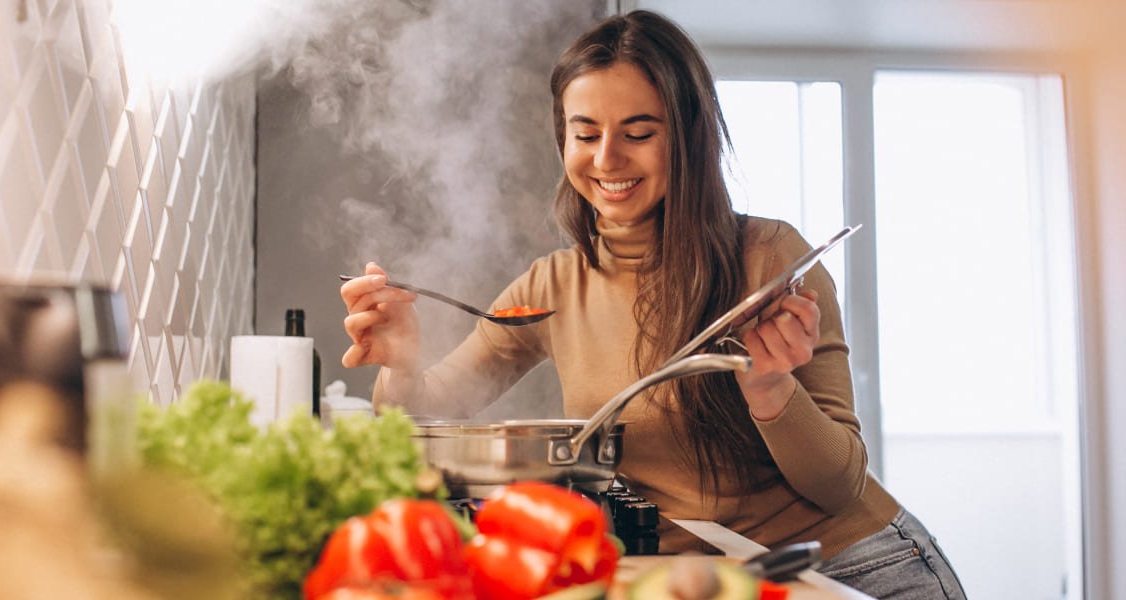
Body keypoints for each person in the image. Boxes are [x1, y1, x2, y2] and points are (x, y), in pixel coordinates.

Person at [339, 10, 966, 600]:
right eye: (586, 133)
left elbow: (840, 486)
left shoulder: (768, 258)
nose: (606, 159)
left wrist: (772, 390)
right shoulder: (552, 286)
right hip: (709, 577)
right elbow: (426, 414)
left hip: (852, 566)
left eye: (638, 133)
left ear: (688, 137)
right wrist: (401, 363)